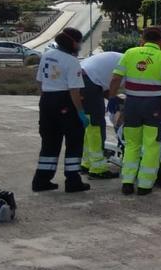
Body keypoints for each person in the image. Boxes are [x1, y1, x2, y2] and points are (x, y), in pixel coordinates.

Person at [108, 26, 161, 196]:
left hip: (131, 104)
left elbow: (116, 78)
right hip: (153, 105)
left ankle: (127, 181)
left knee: (131, 144)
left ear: (143, 39)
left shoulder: (130, 53)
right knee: (152, 145)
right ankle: (145, 185)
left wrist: (111, 97)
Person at [32, 32, 91, 193]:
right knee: (74, 142)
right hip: (65, 101)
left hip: (47, 100)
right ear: (73, 43)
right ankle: (73, 181)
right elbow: (74, 90)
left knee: (49, 143)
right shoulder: (72, 62)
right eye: (79, 42)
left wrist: (44, 102)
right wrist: (80, 112)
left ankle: (41, 180)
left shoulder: (47, 55)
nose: (80, 45)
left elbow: (40, 81)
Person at [78, 49, 122, 177]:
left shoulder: (119, 58)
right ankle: (98, 169)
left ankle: (87, 163)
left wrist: (115, 99)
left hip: (83, 79)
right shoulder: (131, 66)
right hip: (89, 83)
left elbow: (105, 89)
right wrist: (115, 99)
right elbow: (115, 82)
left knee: (90, 125)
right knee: (96, 124)